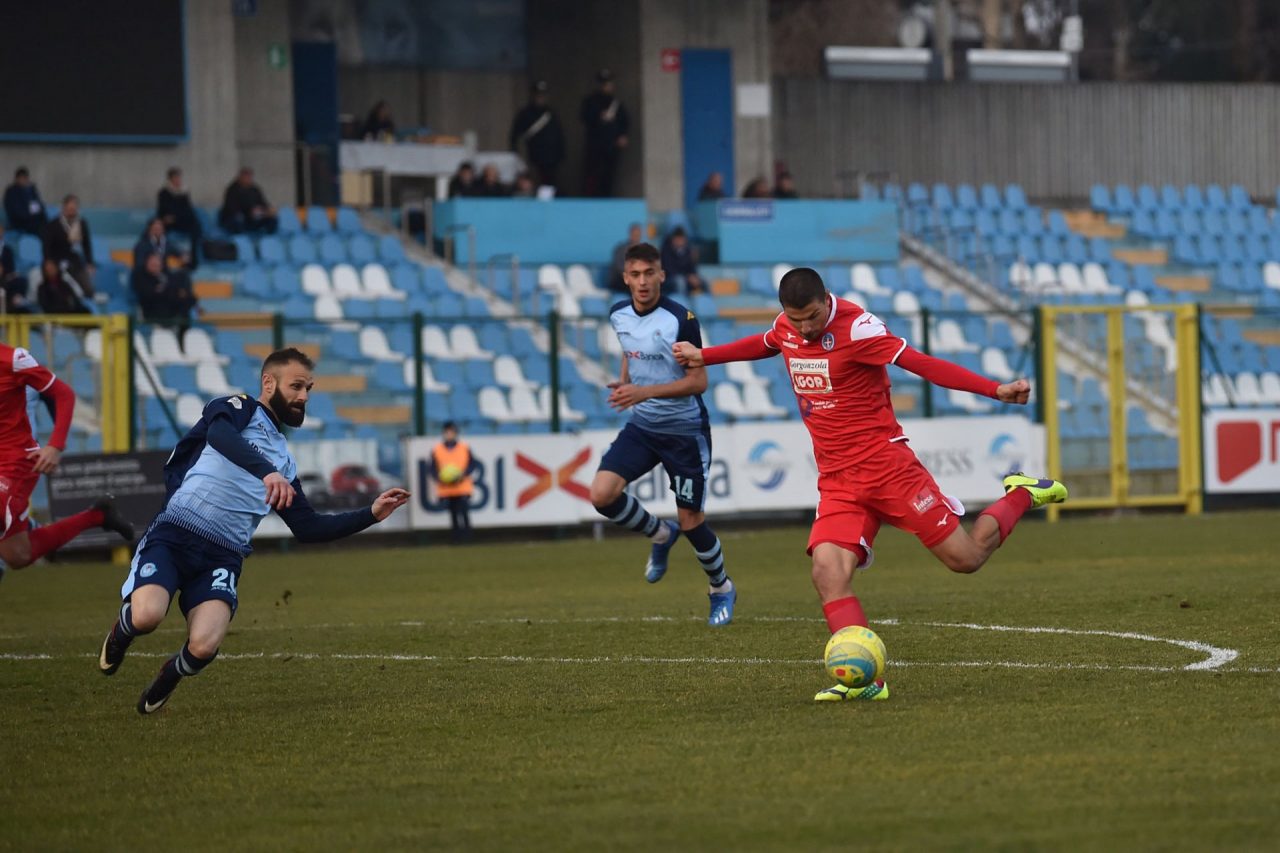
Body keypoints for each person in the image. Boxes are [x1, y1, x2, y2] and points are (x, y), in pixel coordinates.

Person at [673, 268, 1067, 700]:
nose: (804, 328)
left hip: (888, 469)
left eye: (812, 316)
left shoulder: (860, 328)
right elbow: (763, 344)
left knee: (966, 558)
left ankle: (1022, 492)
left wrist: (995, 389)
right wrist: (703, 356)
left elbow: (923, 364)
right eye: (795, 319)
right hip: (838, 481)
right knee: (827, 573)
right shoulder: (786, 327)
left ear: (827, 298)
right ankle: (864, 681)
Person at [96, 348, 411, 714]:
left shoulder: (285, 459)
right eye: (296, 386)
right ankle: (122, 632)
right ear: (268, 382)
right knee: (146, 616)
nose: (304, 396)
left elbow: (308, 528)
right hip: (175, 533)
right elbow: (218, 435)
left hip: (223, 555)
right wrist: (266, 471)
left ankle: (169, 674)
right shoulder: (238, 407)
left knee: (203, 647)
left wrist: (370, 514)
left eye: (309, 388)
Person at [589, 242, 735, 626]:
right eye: (634, 275)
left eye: (648, 273)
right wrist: (624, 383)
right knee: (601, 495)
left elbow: (698, 380)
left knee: (692, 522)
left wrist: (643, 391)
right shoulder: (618, 313)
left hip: (684, 432)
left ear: (661, 275)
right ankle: (658, 534)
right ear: (625, 278)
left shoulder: (680, 319)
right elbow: (629, 349)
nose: (642, 282)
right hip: (643, 426)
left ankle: (720, 588)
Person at [0, 341, 134, 580]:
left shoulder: (14, 359)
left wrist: (55, 445)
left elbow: (63, 394)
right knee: (17, 555)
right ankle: (98, 516)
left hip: (15, 462)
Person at [579, 68, 630, 197]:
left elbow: (624, 121)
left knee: (609, 175)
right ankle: (591, 198)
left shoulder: (616, 103)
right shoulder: (591, 102)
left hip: (611, 146)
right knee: (592, 174)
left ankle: (607, 197)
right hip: (595, 145)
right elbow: (584, 117)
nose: (607, 87)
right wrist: (598, 116)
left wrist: (622, 136)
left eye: (609, 84)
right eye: (605, 84)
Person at [131, 253, 200, 344]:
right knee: (177, 298)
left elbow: (169, 289)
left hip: (171, 305)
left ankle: (183, 343)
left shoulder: (166, 276)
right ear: (146, 264)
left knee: (186, 295)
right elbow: (148, 295)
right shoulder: (141, 276)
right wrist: (165, 291)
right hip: (154, 310)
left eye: (158, 264)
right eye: (153, 264)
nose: (156, 266)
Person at [509, 80, 565, 191]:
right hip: (532, 155)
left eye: (542, 95)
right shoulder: (525, 113)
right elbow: (515, 134)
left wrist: (561, 153)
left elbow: (559, 135)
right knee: (532, 181)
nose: (540, 98)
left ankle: (547, 203)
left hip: (551, 156)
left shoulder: (551, 113)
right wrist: (515, 152)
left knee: (549, 182)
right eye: (538, 95)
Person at [431, 421, 476, 544]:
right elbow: (433, 468)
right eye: (447, 432)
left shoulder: (464, 447)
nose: (449, 434)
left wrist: (463, 475)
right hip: (447, 488)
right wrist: (439, 478)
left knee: (465, 513)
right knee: (453, 514)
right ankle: (456, 539)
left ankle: (468, 538)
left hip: (463, 486)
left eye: (451, 432)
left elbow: (472, 464)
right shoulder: (437, 449)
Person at [43, 195, 96, 295]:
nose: (72, 212)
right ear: (64, 208)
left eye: (74, 209)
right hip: (57, 261)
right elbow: (46, 245)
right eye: (69, 209)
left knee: (88, 289)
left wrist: (89, 262)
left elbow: (86, 244)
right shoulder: (53, 225)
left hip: (74, 261)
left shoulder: (81, 223)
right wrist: (48, 261)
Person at [156, 168, 202, 268]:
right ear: (170, 179)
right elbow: (163, 210)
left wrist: (176, 215)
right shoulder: (163, 193)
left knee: (196, 227)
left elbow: (188, 210)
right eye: (175, 178)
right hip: (169, 223)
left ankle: (193, 260)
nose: (178, 180)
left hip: (181, 220)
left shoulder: (184, 192)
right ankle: (164, 260)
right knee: (160, 231)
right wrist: (169, 217)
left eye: (179, 178)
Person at [217, 168, 278, 235]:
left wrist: (267, 210)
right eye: (246, 177)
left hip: (252, 218)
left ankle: (268, 239)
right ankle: (241, 239)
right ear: (240, 177)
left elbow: (262, 202)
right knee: (238, 218)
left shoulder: (255, 189)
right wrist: (250, 211)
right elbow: (232, 208)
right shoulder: (232, 190)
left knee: (272, 218)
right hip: (235, 218)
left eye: (249, 177)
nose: (248, 180)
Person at [659, 226, 704, 296]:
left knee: (703, 281)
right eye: (678, 239)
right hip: (668, 280)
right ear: (673, 240)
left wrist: (694, 276)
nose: (680, 241)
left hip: (685, 278)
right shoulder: (666, 251)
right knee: (680, 281)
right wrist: (687, 277)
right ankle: (682, 304)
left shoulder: (687, 251)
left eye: (682, 239)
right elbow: (669, 270)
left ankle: (706, 303)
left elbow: (691, 267)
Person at [4, 167, 47, 235]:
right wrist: (32, 212)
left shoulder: (32, 190)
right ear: (17, 179)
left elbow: (40, 206)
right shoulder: (11, 192)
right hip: (20, 223)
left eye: (25, 178)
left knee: (48, 226)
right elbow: (17, 212)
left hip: (35, 220)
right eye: (22, 178)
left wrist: (35, 212)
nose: (24, 180)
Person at [1, 223, 33, 314]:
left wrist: (4, 272)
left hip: (5, 278)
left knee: (20, 280)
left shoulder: (7, 250)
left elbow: (10, 267)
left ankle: (16, 300)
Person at [607, 223, 643, 294]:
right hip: (620, 281)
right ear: (630, 234)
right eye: (634, 234)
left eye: (638, 235)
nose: (636, 237)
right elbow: (619, 268)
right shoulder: (621, 249)